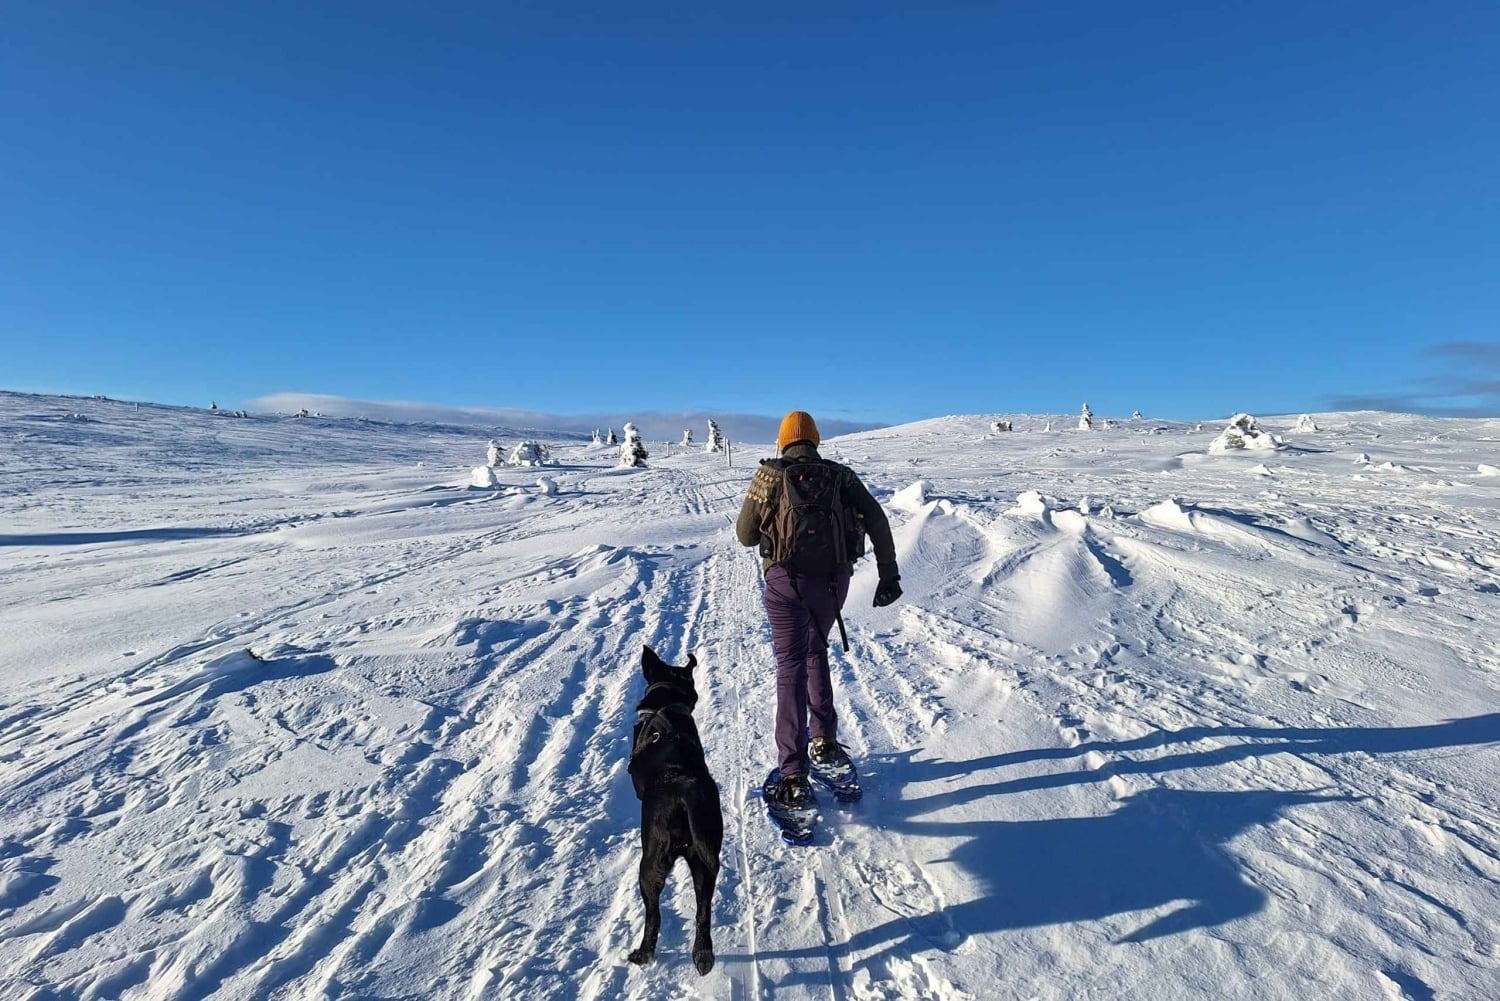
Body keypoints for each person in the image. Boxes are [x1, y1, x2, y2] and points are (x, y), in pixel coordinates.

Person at [736, 410, 902, 809]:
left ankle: (793, 775)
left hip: (784, 582)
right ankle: (824, 742)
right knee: (816, 651)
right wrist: (888, 575)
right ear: (815, 439)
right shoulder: (841, 476)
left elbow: (745, 536)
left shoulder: (769, 475)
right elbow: (877, 521)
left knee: (790, 665)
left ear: (783, 441)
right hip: (832, 582)